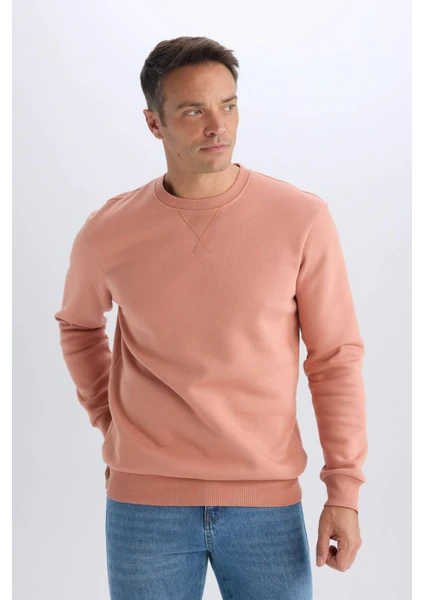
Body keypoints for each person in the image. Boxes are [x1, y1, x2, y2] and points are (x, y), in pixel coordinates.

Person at [54, 36, 367, 600]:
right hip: (144, 509)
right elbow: (78, 326)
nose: (217, 126)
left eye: (228, 105)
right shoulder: (109, 231)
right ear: (154, 123)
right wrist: (109, 418)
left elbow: (334, 358)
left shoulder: (301, 219)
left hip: (267, 507)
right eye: (193, 111)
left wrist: (343, 490)